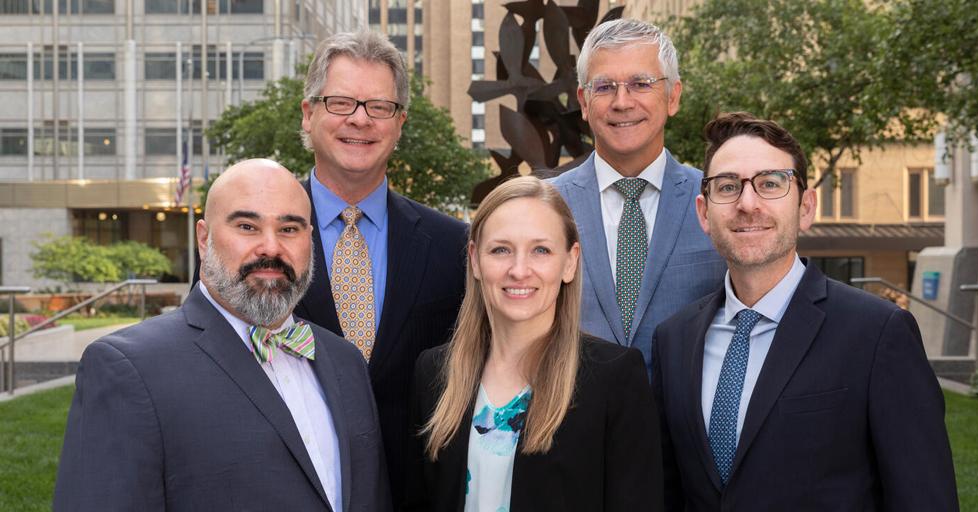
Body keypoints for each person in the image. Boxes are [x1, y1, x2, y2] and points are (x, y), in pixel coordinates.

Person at [652, 112, 958, 510]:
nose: (747, 203)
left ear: (806, 206)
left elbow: (924, 499)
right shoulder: (674, 339)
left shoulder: (877, 333)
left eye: (770, 184)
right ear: (704, 213)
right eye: (727, 187)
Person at [54, 159, 390, 511]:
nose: (271, 248)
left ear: (310, 239)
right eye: (247, 226)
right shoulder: (130, 369)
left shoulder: (344, 359)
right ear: (204, 238)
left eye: (289, 229)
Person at [405, 176, 663, 512]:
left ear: (569, 262)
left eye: (540, 250)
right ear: (475, 259)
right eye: (501, 250)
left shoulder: (614, 378)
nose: (519, 270)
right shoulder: (435, 373)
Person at [298, 31, 468, 499]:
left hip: (418, 491)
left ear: (399, 122)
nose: (360, 119)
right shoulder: (253, 239)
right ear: (308, 114)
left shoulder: (453, 245)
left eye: (379, 106)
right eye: (341, 102)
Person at [549, 18, 725, 372]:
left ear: (672, 96)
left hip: (685, 424)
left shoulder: (720, 202)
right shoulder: (545, 207)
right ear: (584, 102)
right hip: (571, 421)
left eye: (641, 84)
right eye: (604, 87)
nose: (622, 102)